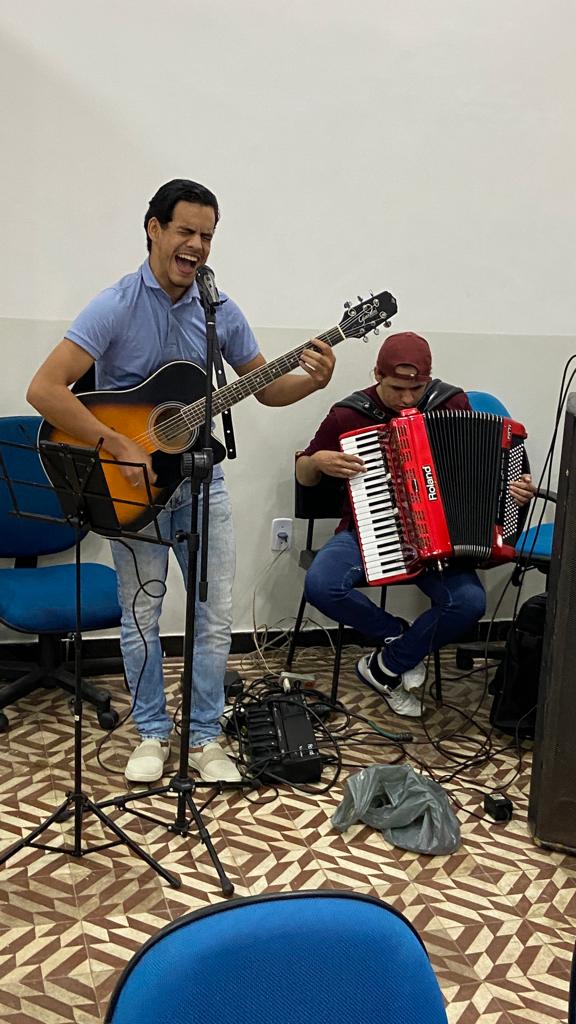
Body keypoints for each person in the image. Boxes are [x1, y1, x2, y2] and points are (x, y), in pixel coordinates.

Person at [27, 178, 335, 783]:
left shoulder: (219, 312)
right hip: (131, 488)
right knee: (141, 613)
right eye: (186, 231)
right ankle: (151, 732)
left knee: (212, 615)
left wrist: (313, 382)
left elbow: (265, 388)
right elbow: (44, 390)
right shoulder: (115, 305)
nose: (196, 246)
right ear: (154, 229)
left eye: (208, 236)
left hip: (200, 483)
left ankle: (204, 736)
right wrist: (116, 442)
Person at [295, 331, 534, 717]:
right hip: (366, 531)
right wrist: (317, 462)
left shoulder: (451, 403)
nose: (407, 399)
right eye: (396, 389)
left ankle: (384, 667)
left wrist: (513, 490)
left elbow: (484, 471)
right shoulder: (349, 414)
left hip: (438, 538)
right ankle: (400, 638)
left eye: (416, 389)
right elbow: (303, 474)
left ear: (428, 380)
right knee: (322, 585)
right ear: (377, 375)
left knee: (470, 603)